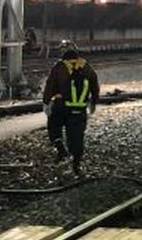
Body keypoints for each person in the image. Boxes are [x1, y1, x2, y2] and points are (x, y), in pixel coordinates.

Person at [43, 43, 100, 176]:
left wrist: (46, 102)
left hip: (61, 107)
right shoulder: (86, 67)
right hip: (79, 108)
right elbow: (95, 86)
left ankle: (60, 149)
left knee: (54, 126)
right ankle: (76, 165)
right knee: (77, 136)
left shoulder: (59, 67)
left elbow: (50, 85)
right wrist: (93, 103)